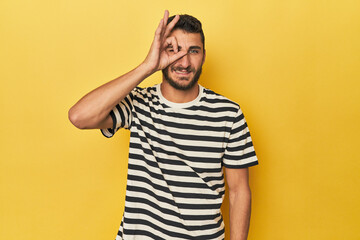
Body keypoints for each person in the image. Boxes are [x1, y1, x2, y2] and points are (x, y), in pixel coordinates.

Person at [69, 10, 258, 240]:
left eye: (193, 51)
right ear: (161, 52)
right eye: (174, 50)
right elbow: (79, 116)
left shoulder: (228, 113)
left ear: (204, 56)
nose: (185, 62)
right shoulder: (138, 103)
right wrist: (147, 67)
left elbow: (239, 192)